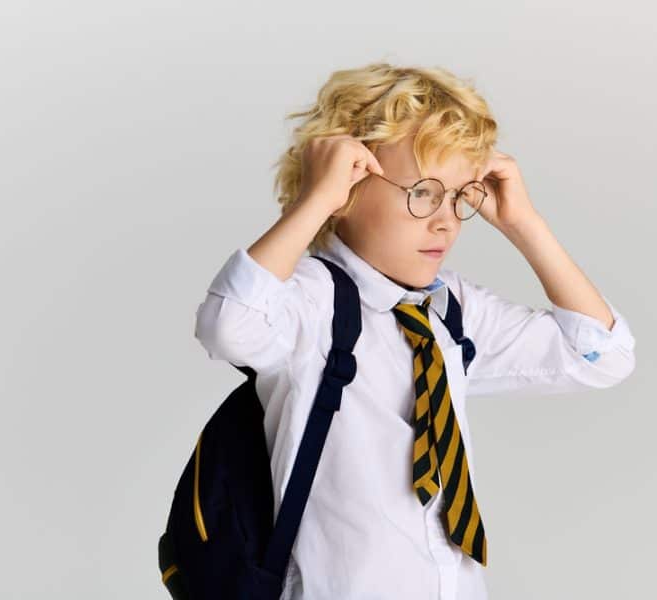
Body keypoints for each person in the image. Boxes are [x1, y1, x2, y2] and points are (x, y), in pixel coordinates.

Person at [193, 62, 636, 600]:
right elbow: (228, 326)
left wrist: (524, 224)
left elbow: (601, 355)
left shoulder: (451, 311)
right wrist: (315, 200)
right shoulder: (311, 302)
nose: (445, 220)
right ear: (350, 185)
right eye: (423, 192)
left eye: (458, 197)